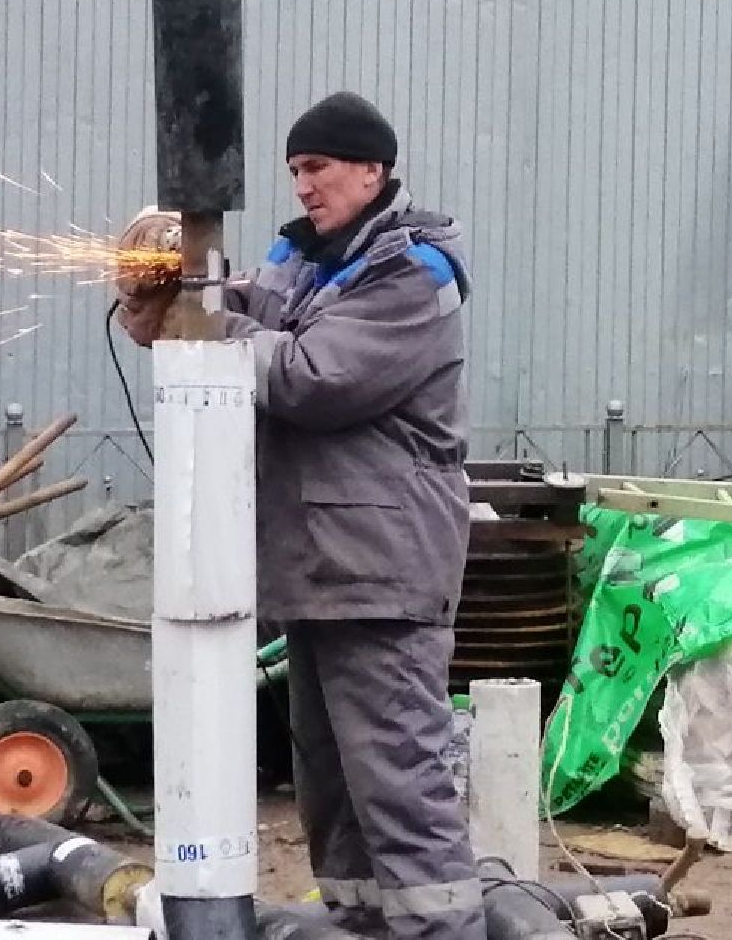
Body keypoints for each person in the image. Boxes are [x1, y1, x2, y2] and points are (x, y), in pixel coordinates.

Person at [119, 92, 482, 940]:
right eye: (294, 170)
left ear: (372, 169)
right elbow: (246, 311)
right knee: (334, 790)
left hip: (382, 569)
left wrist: (206, 316)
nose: (303, 185)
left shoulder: (410, 275)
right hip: (326, 569)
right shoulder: (309, 259)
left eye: (316, 168)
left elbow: (313, 376)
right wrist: (165, 297)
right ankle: (360, 930)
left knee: (398, 787)